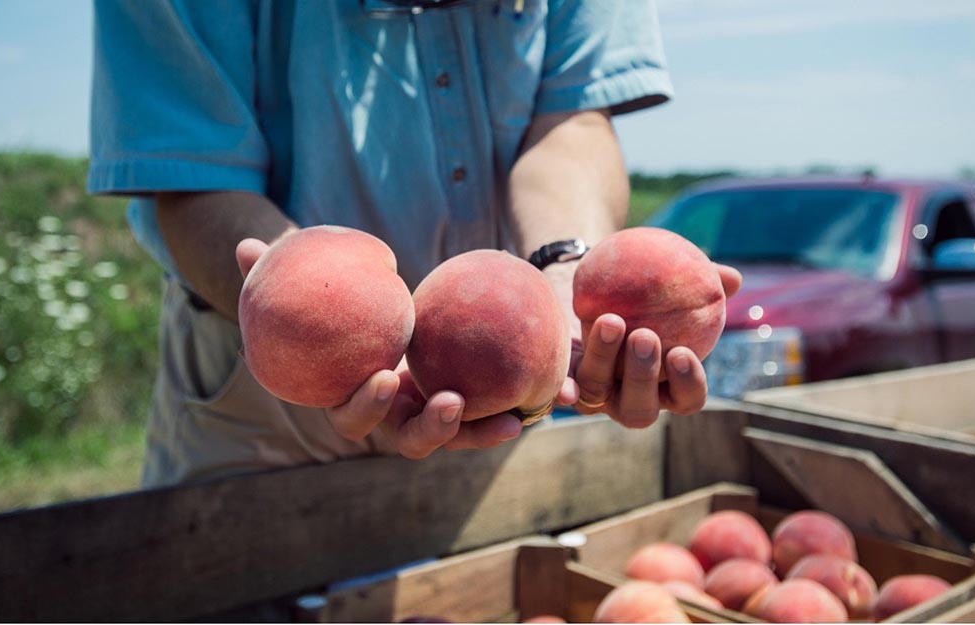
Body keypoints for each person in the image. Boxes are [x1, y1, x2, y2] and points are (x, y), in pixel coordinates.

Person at [88, 0, 741, 488]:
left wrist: (566, 267)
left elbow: (571, 115)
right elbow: (189, 172)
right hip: (266, 411)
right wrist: (308, 303)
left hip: (501, 381)